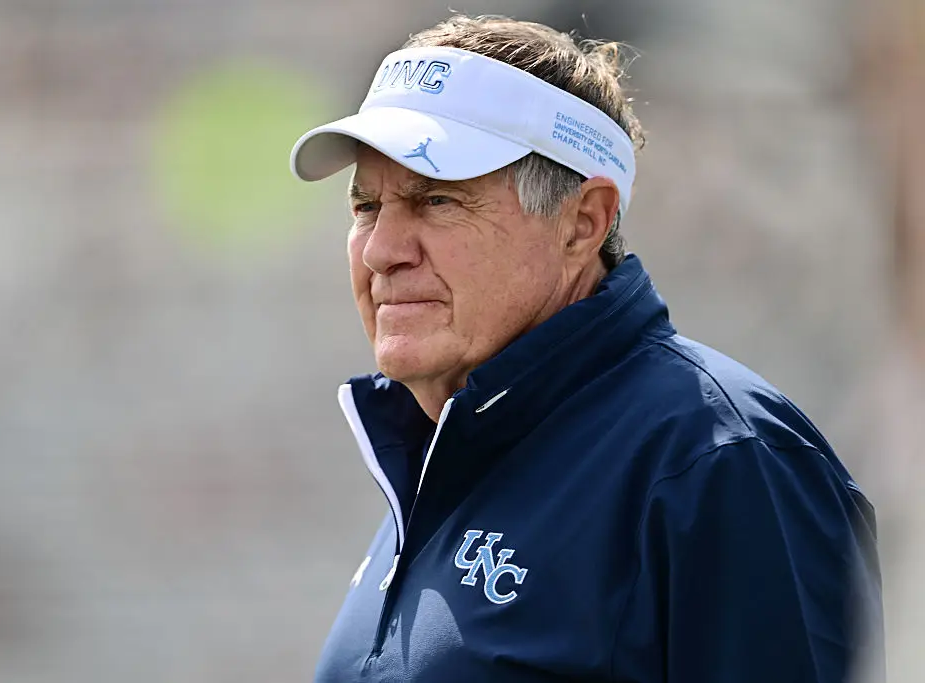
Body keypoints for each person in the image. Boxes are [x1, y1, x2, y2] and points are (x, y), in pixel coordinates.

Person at [289, 14, 883, 683]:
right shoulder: (446, 460)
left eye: (435, 199)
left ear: (582, 222)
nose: (381, 251)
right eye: (366, 208)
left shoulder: (721, 462)